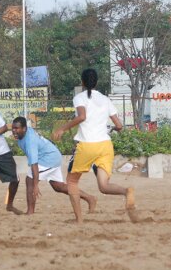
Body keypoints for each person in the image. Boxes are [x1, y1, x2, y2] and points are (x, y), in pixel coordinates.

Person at [52, 68, 136, 223]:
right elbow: (119, 125)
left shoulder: (79, 97)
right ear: (96, 82)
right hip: (105, 146)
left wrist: (62, 128)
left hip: (87, 146)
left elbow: (82, 116)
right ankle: (127, 191)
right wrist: (115, 128)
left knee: (71, 182)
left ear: (82, 82)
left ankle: (79, 220)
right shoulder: (105, 99)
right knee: (104, 186)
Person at [11, 116, 97, 215]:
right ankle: (90, 198)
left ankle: (30, 212)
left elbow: (34, 165)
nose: (14, 131)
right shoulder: (25, 133)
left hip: (48, 159)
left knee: (29, 180)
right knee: (58, 187)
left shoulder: (30, 142)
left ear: (24, 128)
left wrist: (35, 185)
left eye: (16, 128)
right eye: (13, 128)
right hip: (53, 156)